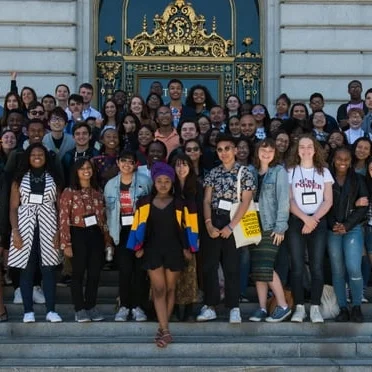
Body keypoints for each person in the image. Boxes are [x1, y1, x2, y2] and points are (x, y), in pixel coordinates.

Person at [127, 162, 198, 347]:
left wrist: (189, 248)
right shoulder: (144, 202)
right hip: (152, 250)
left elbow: (189, 226)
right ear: (154, 182)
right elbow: (138, 225)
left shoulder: (180, 203)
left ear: (172, 182)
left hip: (175, 249)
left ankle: (162, 327)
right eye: (160, 181)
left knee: (170, 289)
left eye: (167, 180)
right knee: (158, 289)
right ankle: (165, 330)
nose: (164, 184)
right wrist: (137, 246)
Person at [197, 134, 255, 323]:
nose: (224, 153)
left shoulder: (244, 172)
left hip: (234, 220)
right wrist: (208, 223)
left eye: (227, 148)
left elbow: (246, 201)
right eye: (220, 149)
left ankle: (234, 307)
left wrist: (231, 226)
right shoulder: (212, 173)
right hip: (214, 219)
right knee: (209, 265)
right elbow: (206, 200)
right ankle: (211, 305)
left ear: (235, 150)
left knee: (232, 265)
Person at [8, 143, 63, 323]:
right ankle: (28, 311)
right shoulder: (19, 179)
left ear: (46, 157)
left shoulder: (54, 178)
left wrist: (58, 232)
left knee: (48, 268)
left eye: (40, 154)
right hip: (24, 226)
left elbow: (60, 207)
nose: (37, 157)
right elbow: (13, 208)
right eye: (33, 155)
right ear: (28, 158)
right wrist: (15, 231)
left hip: (49, 225)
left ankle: (51, 310)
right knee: (26, 268)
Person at [286, 134, 334, 323]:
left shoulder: (324, 172)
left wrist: (313, 219)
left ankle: (315, 307)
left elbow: (328, 200)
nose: (305, 150)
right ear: (297, 151)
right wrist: (305, 219)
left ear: (315, 150)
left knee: (316, 266)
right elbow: (289, 200)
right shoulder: (290, 171)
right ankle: (299, 307)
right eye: (302, 147)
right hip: (297, 221)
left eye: (309, 146)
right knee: (297, 267)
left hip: (318, 221)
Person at [60, 158, 111, 322]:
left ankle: (91, 306)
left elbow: (103, 219)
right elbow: (63, 218)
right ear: (76, 171)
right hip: (77, 233)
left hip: (95, 234)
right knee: (78, 273)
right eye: (82, 168)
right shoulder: (69, 192)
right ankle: (79, 308)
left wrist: (107, 240)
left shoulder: (97, 192)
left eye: (89, 167)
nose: (86, 171)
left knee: (95, 272)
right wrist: (66, 243)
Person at [105, 150, 152, 321]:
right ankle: (124, 306)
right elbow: (108, 214)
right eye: (123, 161)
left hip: (140, 230)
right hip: (120, 232)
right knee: (125, 270)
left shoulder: (145, 182)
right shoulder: (110, 185)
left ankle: (138, 306)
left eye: (130, 161)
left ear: (135, 164)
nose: (126, 164)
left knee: (140, 271)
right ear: (117, 162)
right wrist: (109, 239)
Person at [248, 139, 291, 322]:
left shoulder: (279, 171)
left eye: (270, 151)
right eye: (263, 150)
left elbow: (284, 201)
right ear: (257, 152)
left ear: (275, 153)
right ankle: (262, 308)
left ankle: (283, 306)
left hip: (270, 224)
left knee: (266, 266)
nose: (266, 154)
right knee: (258, 268)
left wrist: (280, 227)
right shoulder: (250, 170)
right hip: (251, 223)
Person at [327, 146, 368, 323]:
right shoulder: (326, 179)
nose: (342, 162)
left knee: (353, 267)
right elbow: (322, 204)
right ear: (333, 160)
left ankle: (357, 306)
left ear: (351, 161)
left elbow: (364, 205)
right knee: (337, 270)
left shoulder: (358, 180)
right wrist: (334, 224)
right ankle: (343, 308)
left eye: (346, 159)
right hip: (332, 229)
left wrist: (347, 224)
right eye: (339, 159)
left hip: (353, 229)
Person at [172, 154, 199, 321]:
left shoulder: (197, 188)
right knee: (173, 276)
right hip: (172, 238)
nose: (181, 169)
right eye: (178, 165)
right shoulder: (168, 187)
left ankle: (188, 310)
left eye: (185, 165)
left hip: (192, 237)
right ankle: (173, 309)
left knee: (190, 275)